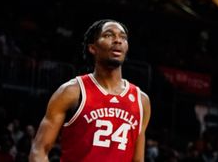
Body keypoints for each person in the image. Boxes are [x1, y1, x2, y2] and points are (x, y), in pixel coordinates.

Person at [29, 20, 151, 162]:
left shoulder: (141, 101)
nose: (118, 40)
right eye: (109, 35)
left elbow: (138, 159)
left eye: (123, 37)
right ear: (93, 48)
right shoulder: (72, 91)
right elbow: (39, 150)